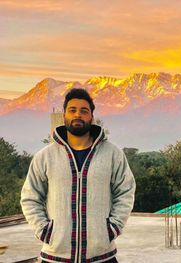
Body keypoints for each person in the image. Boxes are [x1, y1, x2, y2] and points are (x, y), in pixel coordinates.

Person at [21, 88, 136, 263]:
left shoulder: (112, 154)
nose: (78, 115)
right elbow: (30, 197)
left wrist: (112, 228)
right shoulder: (45, 156)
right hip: (55, 256)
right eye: (72, 110)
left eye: (84, 111)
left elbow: (126, 191)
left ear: (91, 116)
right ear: (64, 115)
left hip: (102, 256)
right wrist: (44, 230)